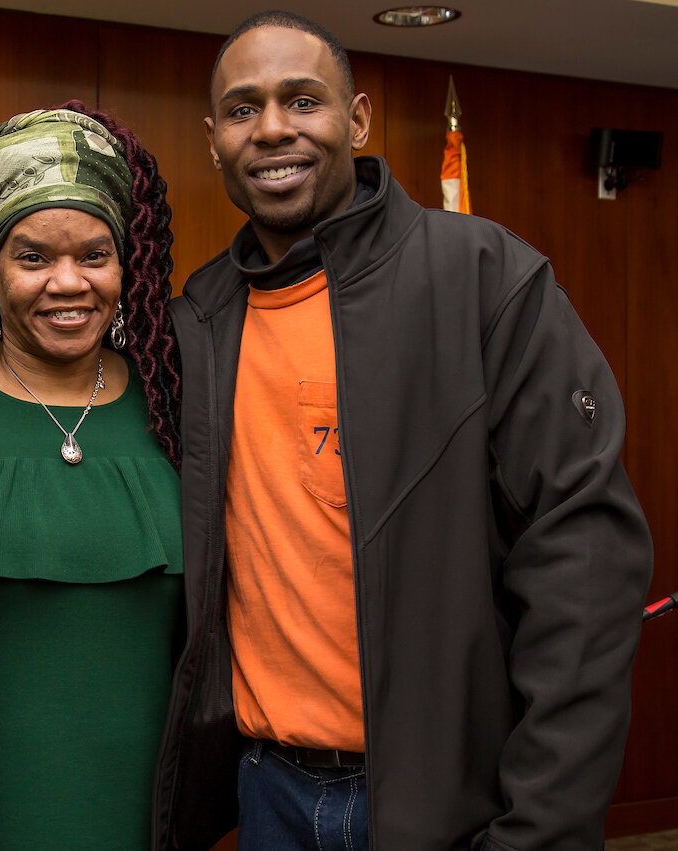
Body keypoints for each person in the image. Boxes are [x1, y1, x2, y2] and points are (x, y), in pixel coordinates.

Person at [156, 11, 654, 851]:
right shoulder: (198, 322)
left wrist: (543, 823)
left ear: (357, 120)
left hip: (447, 803)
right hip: (265, 791)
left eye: (302, 100)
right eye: (243, 109)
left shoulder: (485, 279)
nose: (273, 127)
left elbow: (584, 572)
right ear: (214, 141)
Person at [0, 103, 183, 849]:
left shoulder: (179, 403)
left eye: (93, 254)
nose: (68, 282)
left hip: (148, 812)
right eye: (33, 257)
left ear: (126, 264)